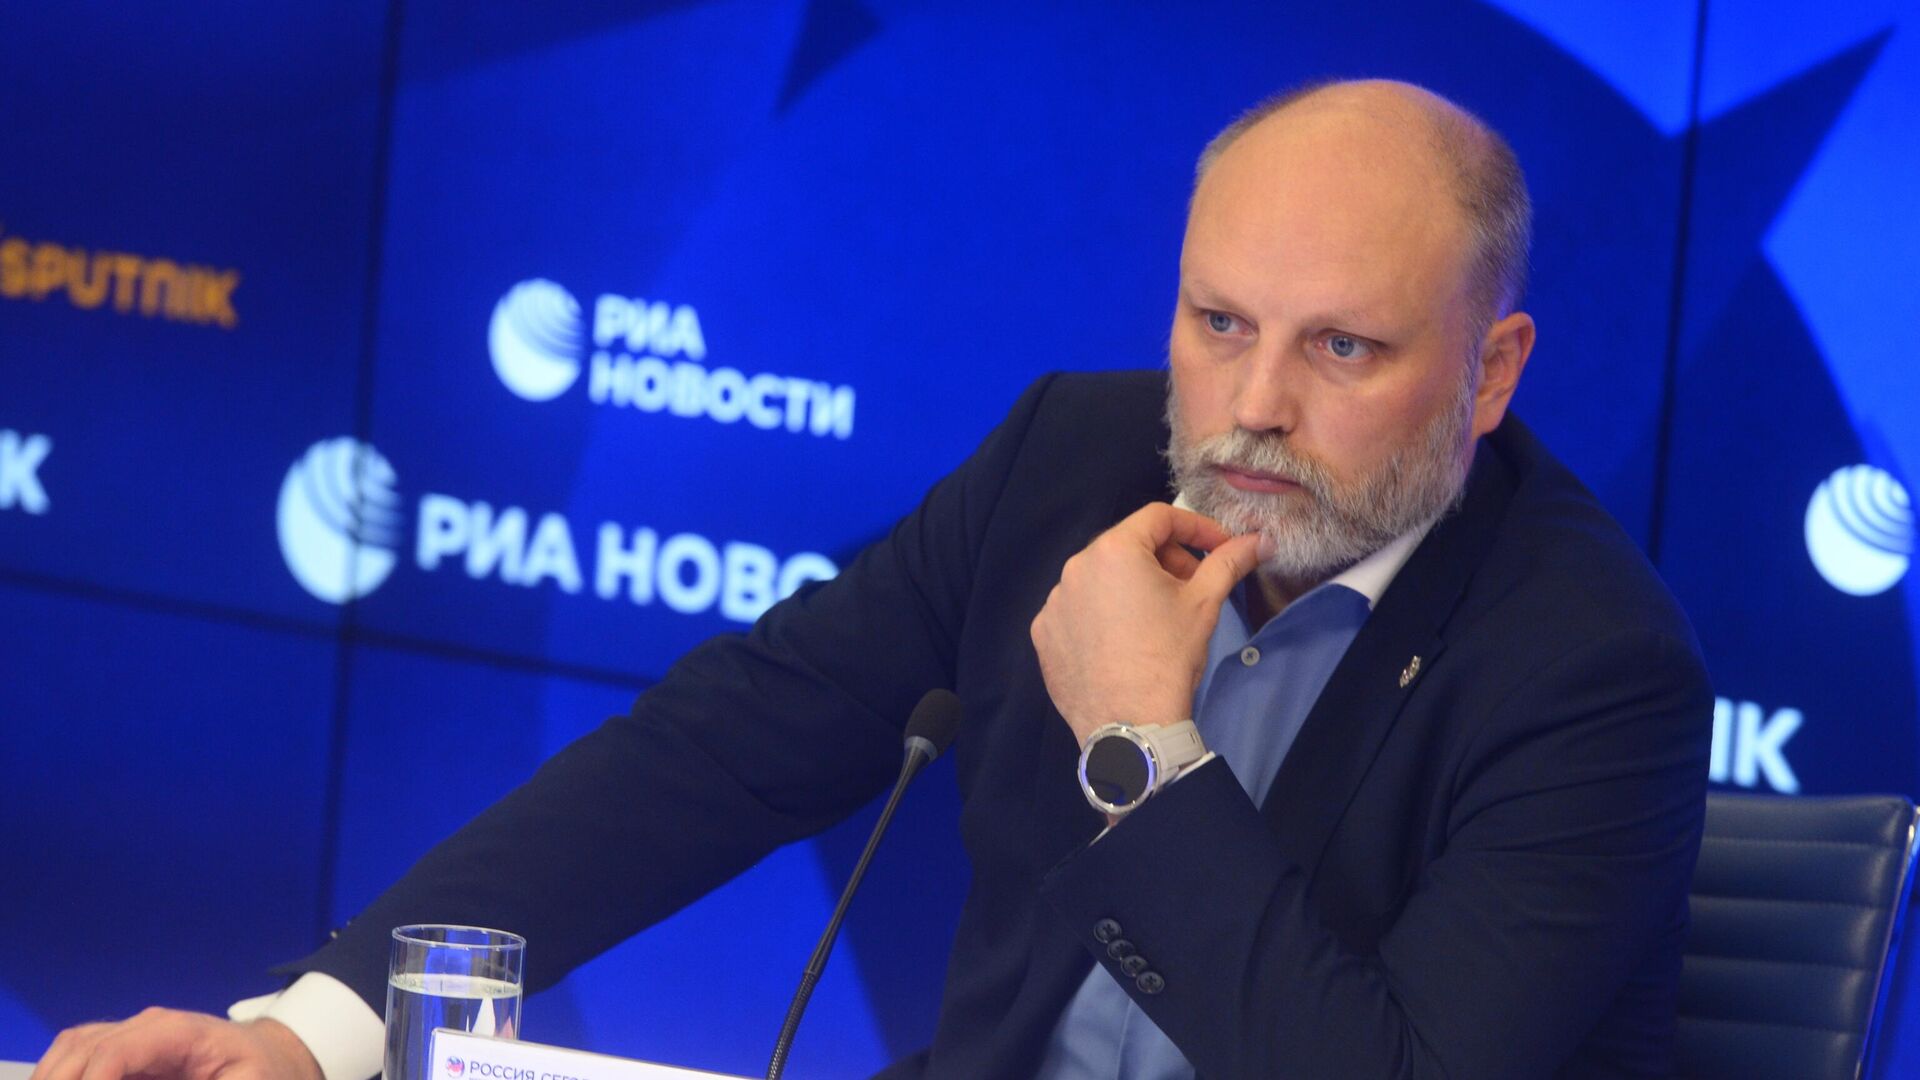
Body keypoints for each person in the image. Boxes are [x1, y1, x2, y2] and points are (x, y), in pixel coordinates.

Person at [31, 78, 1712, 1080]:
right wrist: (314, 1030)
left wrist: (1142, 753)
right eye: (1219, 324)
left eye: (1342, 348)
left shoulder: (1590, 670)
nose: (1253, 406)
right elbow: (720, 750)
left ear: (1492, 372)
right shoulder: (1072, 458)